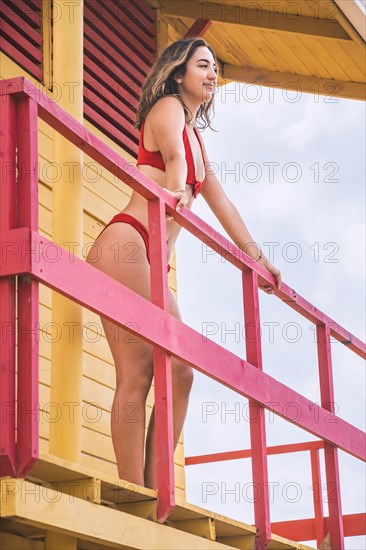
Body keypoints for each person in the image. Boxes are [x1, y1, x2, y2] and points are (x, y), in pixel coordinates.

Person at [86, 37, 281, 489]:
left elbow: (221, 201)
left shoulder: (197, 136)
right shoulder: (169, 108)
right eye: (203, 65)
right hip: (128, 242)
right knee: (139, 371)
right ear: (178, 73)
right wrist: (174, 192)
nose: (213, 74)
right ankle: (134, 493)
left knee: (178, 372)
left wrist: (259, 260)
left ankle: (152, 496)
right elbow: (173, 157)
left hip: (153, 259)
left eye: (215, 68)